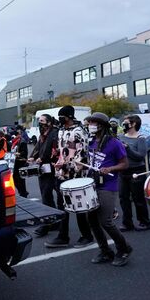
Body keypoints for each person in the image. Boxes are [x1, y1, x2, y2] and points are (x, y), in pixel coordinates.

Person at [82, 112, 133, 266]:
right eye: (89, 122)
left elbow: (125, 164)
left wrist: (110, 168)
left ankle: (124, 248)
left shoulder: (114, 143)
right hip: (92, 184)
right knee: (91, 220)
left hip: (108, 186)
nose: (90, 125)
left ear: (102, 125)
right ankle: (105, 251)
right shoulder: (91, 141)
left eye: (93, 122)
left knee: (106, 221)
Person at [44, 106, 94, 248]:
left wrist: (67, 166)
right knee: (62, 206)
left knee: (78, 206)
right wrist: (57, 159)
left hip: (76, 175)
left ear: (69, 117)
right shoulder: (61, 131)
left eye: (62, 116)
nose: (60, 119)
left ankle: (87, 235)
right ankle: (63, 236)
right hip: (61, 175)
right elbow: (62, 152)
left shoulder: (79, 131)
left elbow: (82, 155)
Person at [28, 114, 63, 237]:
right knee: (46, 195)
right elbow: (38, 147)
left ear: (49, 122)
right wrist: (32, 156)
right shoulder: (42, 134)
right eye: (39, 121)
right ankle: (54, 222)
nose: (39, 123)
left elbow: (51, 150)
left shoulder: (54, 133)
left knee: (47, 196)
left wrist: (41, 158)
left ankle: (48, 224)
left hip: (52, 168)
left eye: (42, 121)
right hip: (44, 169)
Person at [117, 115, 150, 231]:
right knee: (123, 197)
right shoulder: (120, 136)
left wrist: (127, 148)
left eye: (126, 122)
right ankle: (127, 223)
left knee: (138, 199)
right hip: (123, 171)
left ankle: (144, 222)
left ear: (133, 124)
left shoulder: (140, 138)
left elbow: (140, 156)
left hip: (136, 171)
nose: (123, 124)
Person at [11, 128, 29, 197]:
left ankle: (23, 192)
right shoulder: (14, 142)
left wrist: (18, 154)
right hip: (15, 162)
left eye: (16, 135)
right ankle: (22, 191)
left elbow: (24, 153)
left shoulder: (22, 141)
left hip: (20, 162)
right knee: (15, 178)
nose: (14, 136)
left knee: (20, 179)